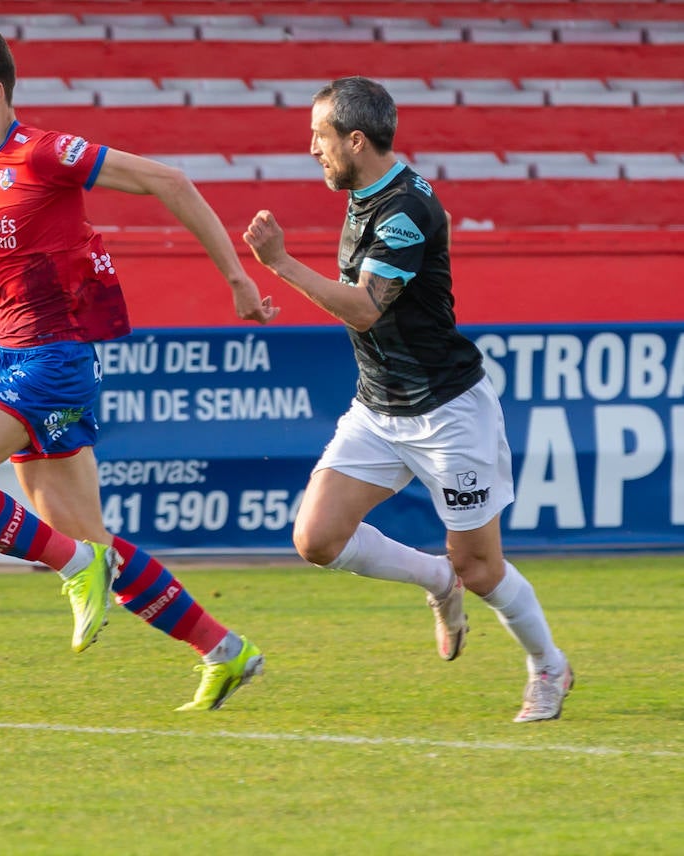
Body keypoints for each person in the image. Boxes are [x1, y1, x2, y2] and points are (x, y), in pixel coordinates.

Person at [0, 25, 278, 711]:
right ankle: (224, 650)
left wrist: (238, 280)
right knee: (88, 538)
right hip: (19, 353)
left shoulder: (46, 153)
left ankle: (77, 568)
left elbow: (171, 182)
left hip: (54, 361)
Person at [242, 76, 572, 722]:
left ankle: (549, 666)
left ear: (356, 140)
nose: (312, 148)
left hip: (447, 412)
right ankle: (434, 580)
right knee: (316, 537)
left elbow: (365, 310)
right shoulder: (366, 192)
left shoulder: (406, 212)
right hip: (378, 406)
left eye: (321, 136)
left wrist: (279, 263)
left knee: (481, 568)